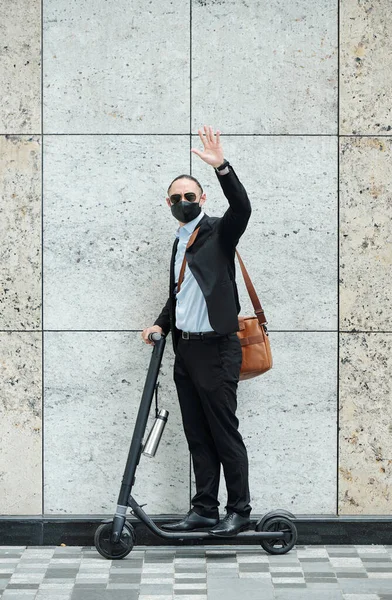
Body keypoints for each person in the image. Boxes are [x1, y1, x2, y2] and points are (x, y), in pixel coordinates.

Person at [141, 125, 252, 537]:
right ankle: (204, 508)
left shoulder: (220, 231)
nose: (184, 202)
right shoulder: (178, 240)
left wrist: (221, 166)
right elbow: (179, 294)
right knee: (197, 435)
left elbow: (242, 207)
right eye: (177, 198)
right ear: (167, 203)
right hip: (184, 351)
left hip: (217, 349)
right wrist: (160, 323)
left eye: (190, 196)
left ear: (201, 199)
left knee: (224, 433)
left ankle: (239, 510)